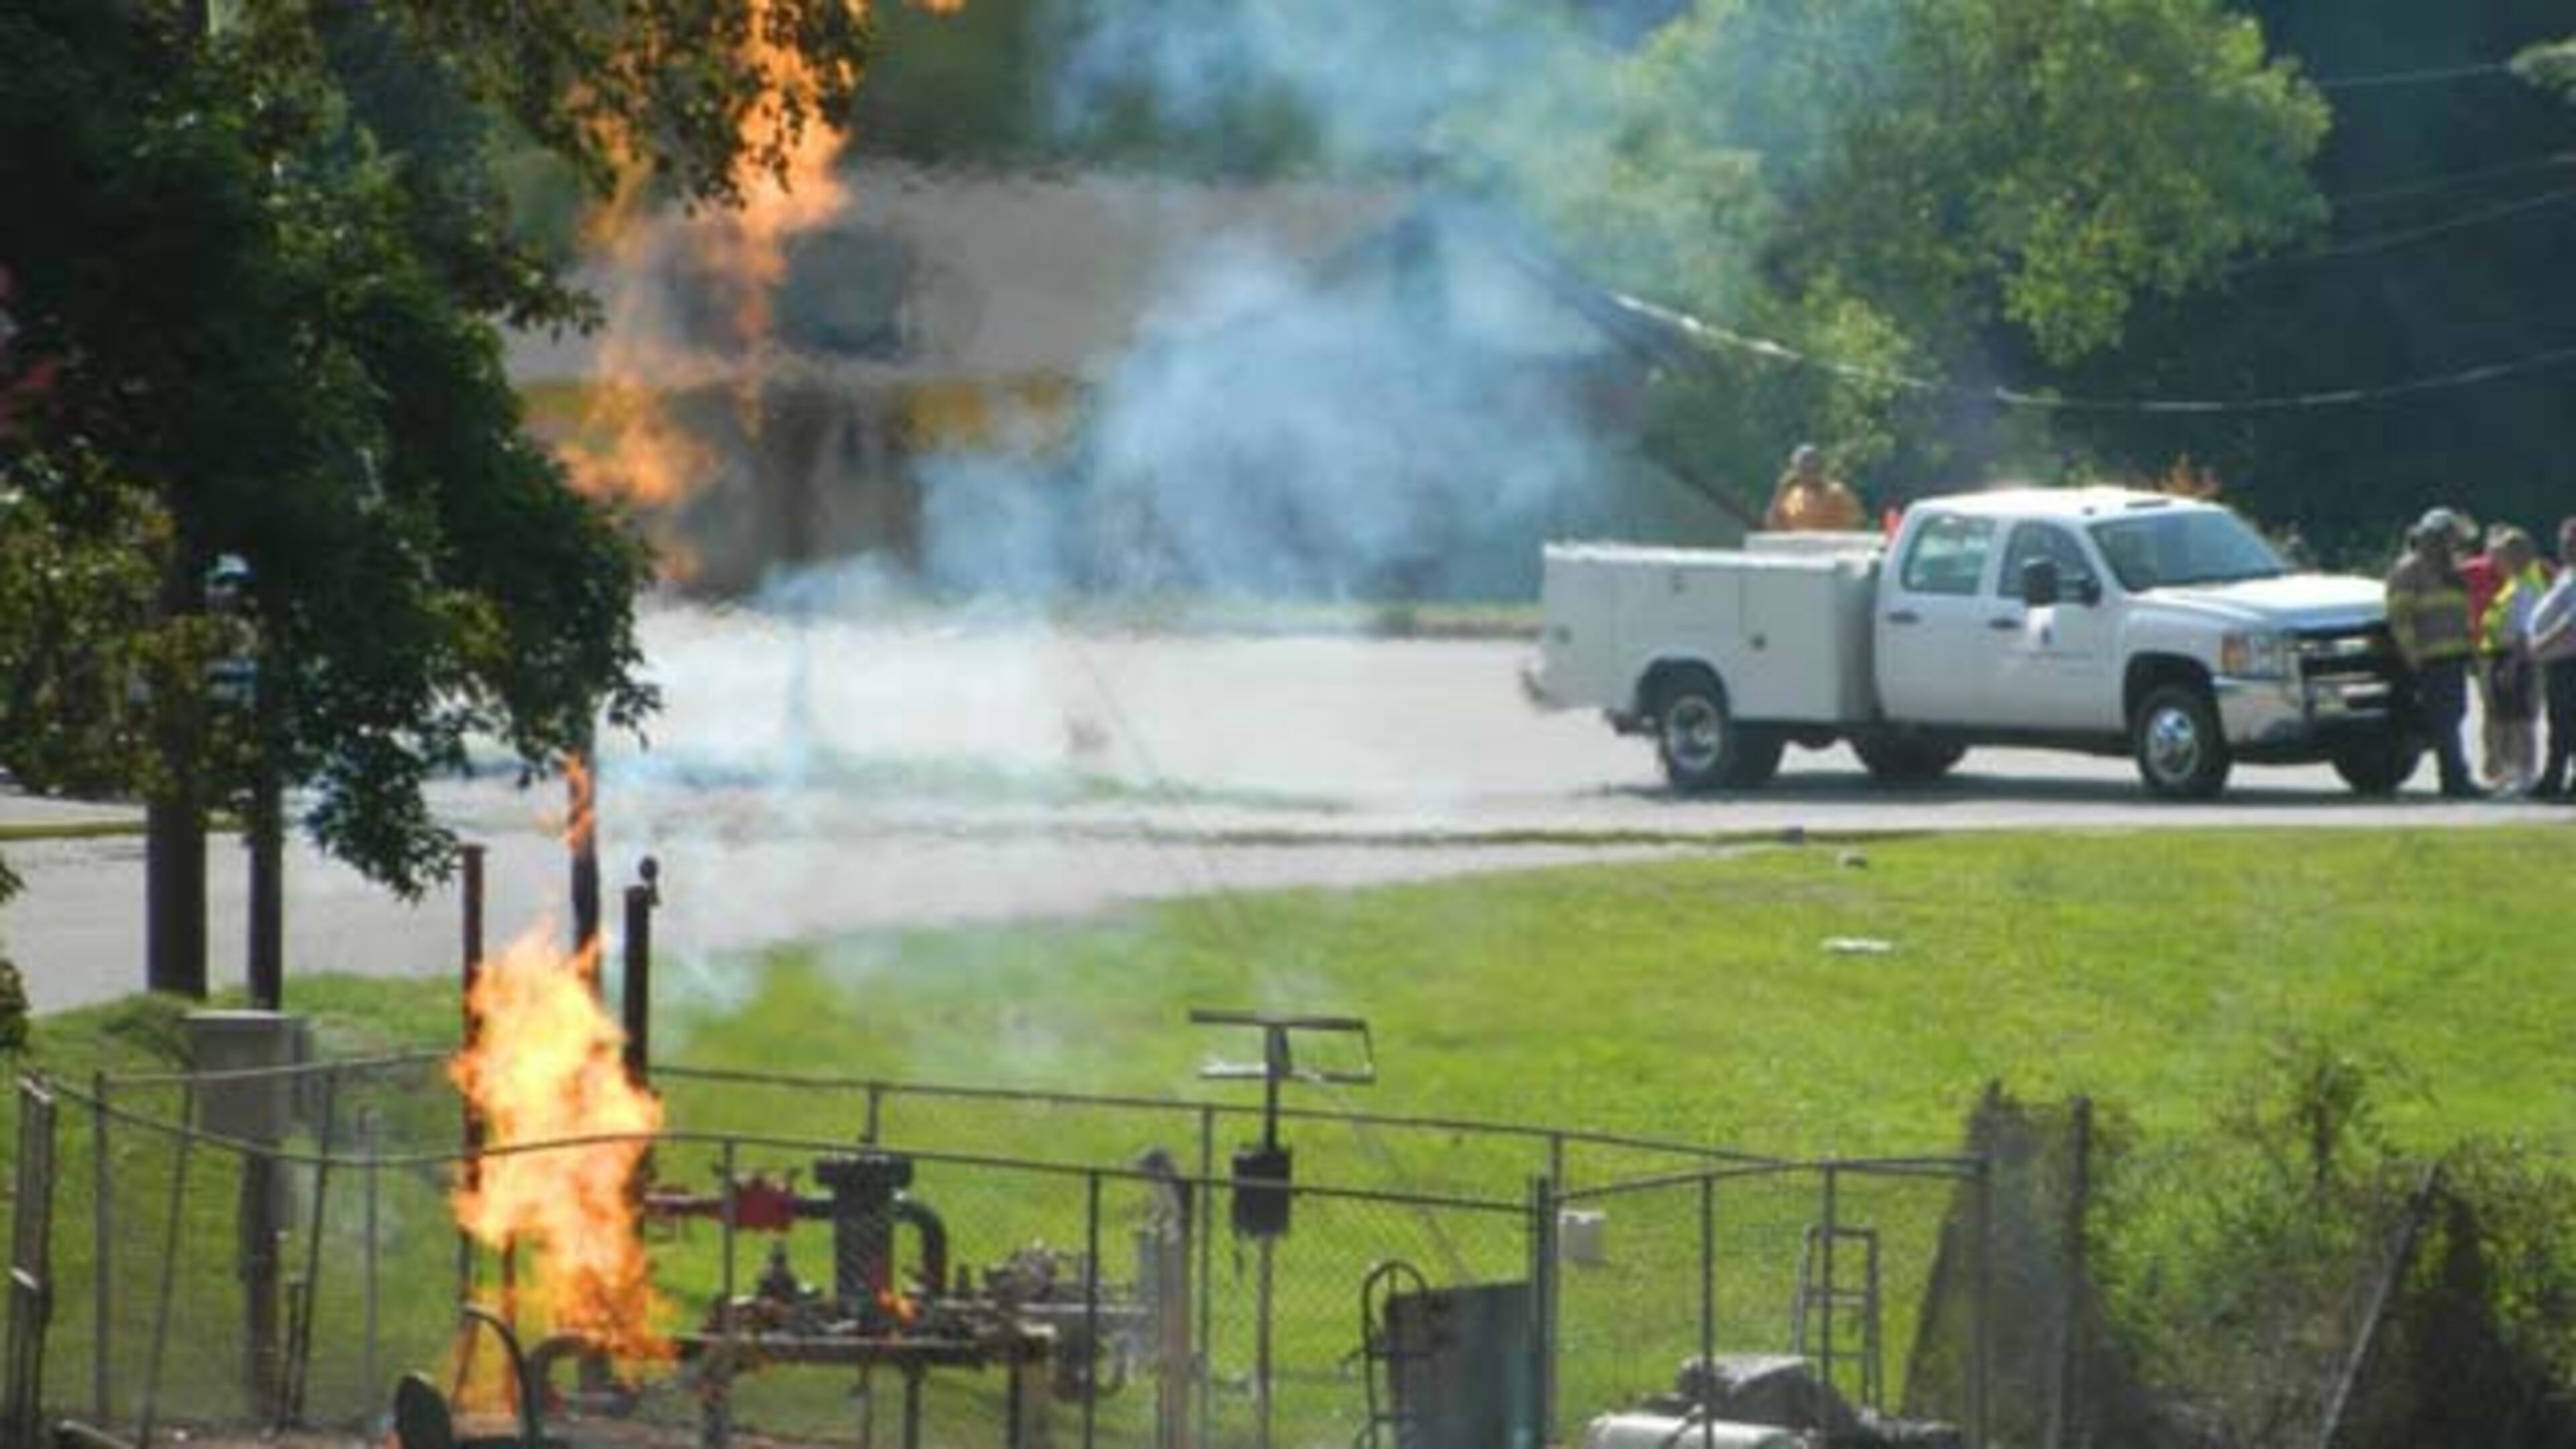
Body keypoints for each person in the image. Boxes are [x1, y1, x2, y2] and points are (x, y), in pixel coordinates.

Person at [2385, 507, 2480, 798]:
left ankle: (2455, 776)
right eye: (2446, 538)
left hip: (2455, 657)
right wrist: (2412, 655)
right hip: (2430, 658)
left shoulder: (2451, 571)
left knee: (2456, 715)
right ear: (2429, 538)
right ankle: (2454, 780)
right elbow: (2400, 618)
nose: (2452, 544)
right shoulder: (2408, 571)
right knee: (2446, 720)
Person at [2479, 527, 2548, 795]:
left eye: (2505, 554)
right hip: (2505, 655)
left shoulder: (2526, 585)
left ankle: (2525, 773)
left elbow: (2524, 628)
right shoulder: (2517, 581)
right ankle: (2510, 774)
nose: (2499, 560)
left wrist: (2512, 663)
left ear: (2520, 555)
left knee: (2521, 719)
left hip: (2517, 657)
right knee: (2507, 716)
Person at [2524, 517, 2576, 798]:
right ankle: (2554, 778)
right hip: (2558, 659)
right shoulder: (2567, 574)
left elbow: (2572, 621)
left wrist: (2542, 643)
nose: (2565, 547)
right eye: (2565, 542)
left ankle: (2554, 780)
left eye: (2571, 542)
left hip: (2570, 660)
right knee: (2559, 722)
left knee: (2568, 722)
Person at [1764, 445, 1865, 532]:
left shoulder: (1836, 492)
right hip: (1799, 551)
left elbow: (1856, 521)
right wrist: (1779, 491)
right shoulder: (1791, 496)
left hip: (1830, 550)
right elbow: (1773, 525)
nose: (1809, 472)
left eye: (1813, 468)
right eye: (1804, 468)